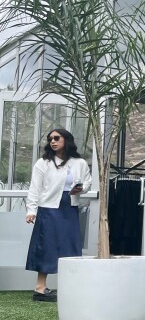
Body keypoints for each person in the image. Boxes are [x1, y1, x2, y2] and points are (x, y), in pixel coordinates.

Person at [25, 129, 92, 302]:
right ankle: (40, 287)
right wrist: (31, 210)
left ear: (66, 139)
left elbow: (87, 182)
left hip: (69, 207)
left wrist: (81, 188)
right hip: (49, 208)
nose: (53, 141)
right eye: (50, 139)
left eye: (56, 138)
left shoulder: (80, 163)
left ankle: (71, 287)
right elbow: (35, 188)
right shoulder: (43, 162)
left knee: (70, 246)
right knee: (46, 246)